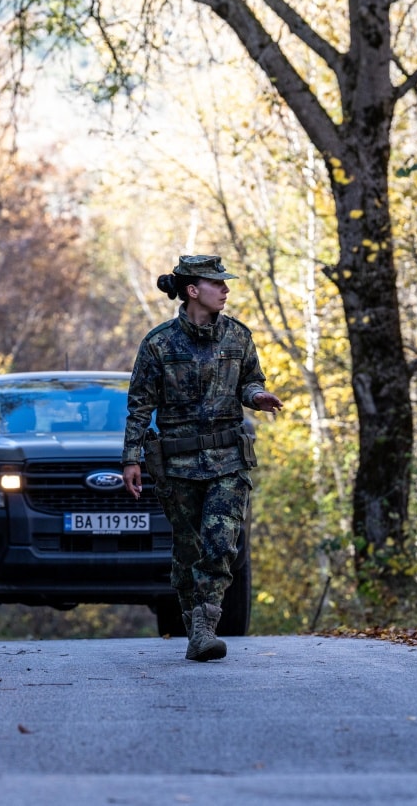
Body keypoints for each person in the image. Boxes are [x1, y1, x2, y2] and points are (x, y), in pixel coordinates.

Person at [122, 255, 283, 662]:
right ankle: (195, 625)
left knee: (220, 543)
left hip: (228, 460)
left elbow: (250, 380)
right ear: (193, 291)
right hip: (177, 467)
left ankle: (205, 627)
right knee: (189, 550)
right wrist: (131, 459)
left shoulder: (238, 336)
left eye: (225, 284)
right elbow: (140, 406)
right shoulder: (158, 344)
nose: (226, 290)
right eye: (218, 284)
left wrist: (257, 396)